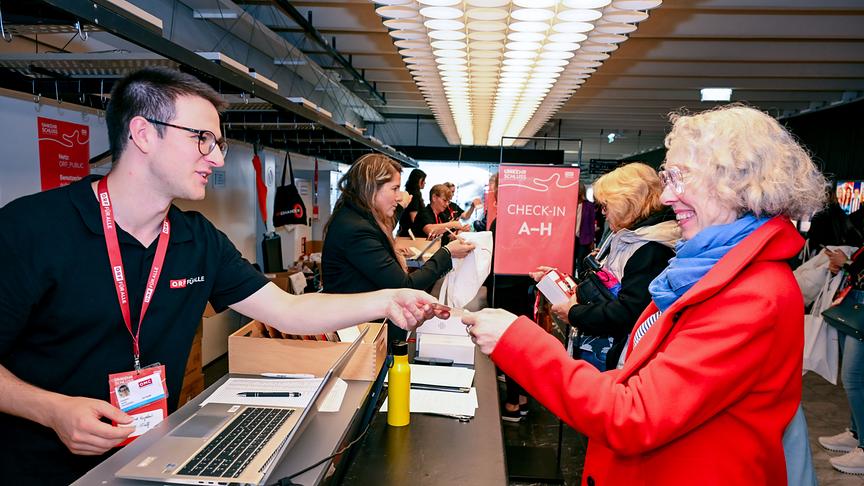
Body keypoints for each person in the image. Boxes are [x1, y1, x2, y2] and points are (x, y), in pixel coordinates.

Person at [0, 68, 437, 485]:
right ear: (143, 133)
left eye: (219, 143)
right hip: (39, 471)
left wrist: (387, 300)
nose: (217, 157)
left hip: (144, 461)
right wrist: (51, 410)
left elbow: (288, 309)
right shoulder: (32, 230)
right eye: (202, 139)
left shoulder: (197, 239)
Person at [463, 104, 826, 485]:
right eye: (667, 178)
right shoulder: (711, 271)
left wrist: (517, 341)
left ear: (737, 184)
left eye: (679, 177)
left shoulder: (751, 295)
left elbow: (636, 413)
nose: (667, 196)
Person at [531, 163, 679, 372]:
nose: (603, 213)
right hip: (604, 353)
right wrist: (560, 280)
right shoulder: (628, 237)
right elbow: (606, 287)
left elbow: (628, 312)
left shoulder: (651, 249)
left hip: (616, 361)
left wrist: (574, 314)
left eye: (606, 206)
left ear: (626, 203)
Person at [322, 154, 475, 344]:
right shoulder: (356, 229)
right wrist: (447, 253)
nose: (399, 196)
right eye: (394, 189)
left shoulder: (356, 217)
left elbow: (383, 228)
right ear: (372, 188)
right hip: (360, 336)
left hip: (366, 330)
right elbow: (405, 285)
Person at [817, 245, 864, 474]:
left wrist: (846, 263)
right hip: (855, 303)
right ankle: (857, 434)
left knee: (854, 379)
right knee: (854, 377)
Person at [572, 182, 597, 276]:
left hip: (584, 239)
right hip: (570, 239)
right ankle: (570, 280)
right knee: (570, 263)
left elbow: (591, 224)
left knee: (581, 264)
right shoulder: (569, 204)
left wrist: (592, 241)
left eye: (578, 189)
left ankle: (581, 281)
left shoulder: (589, 205)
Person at [397, 168, 426, 237]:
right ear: (419, 180)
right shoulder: (415, 194)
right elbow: (413, 217)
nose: (425, 182)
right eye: (423, 180)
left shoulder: (409, 192)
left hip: (405, 230)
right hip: (410, 232)